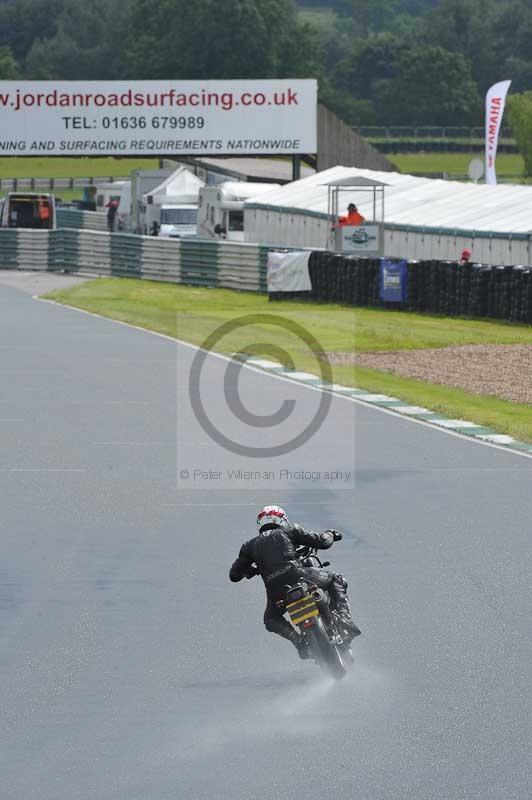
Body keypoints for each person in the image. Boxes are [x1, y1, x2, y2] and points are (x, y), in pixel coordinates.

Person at [229, 505, 361, 659]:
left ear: (261, 523)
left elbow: (234, 575)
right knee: (335, 578)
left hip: (276, 590)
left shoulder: (249, 546)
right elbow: (322, 542)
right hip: (299, 575)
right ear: (282, 519)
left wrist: (252, 570)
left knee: (271, 619)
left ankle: (299, 641)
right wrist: (330, 534)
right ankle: (345, 619)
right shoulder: (290, 530)